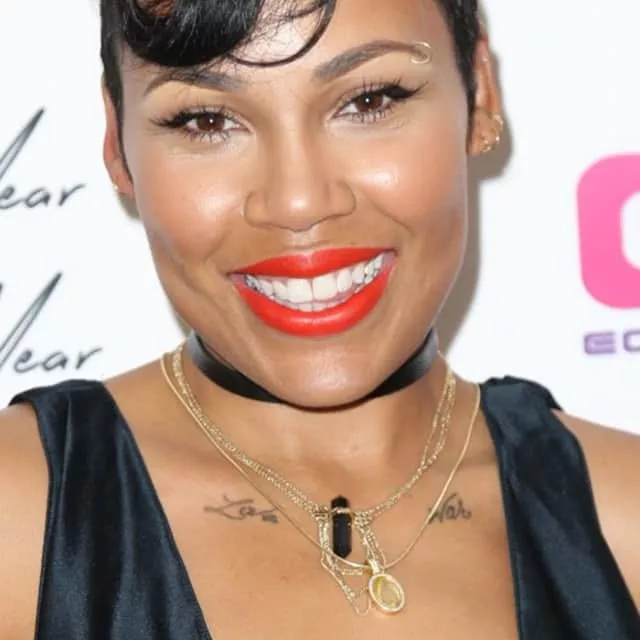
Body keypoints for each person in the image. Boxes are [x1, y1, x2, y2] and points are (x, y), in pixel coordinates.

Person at [0, 0, 639, 637]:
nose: (299, 201)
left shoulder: (625, 518)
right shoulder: (20, 515)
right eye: (206, 120)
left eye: (369, 101)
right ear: (118, 143)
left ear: (481, 95)